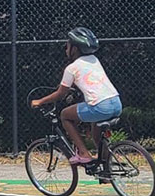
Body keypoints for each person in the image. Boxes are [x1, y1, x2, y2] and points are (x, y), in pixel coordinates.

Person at [30, 27, 122, 165]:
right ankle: (107, 170)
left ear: (74, 49)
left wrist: (40, 101)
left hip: (99, 107)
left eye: (67, 45)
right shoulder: (94, 59)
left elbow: (60, 94)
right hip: (116, 103)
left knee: (65, 115)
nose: (65, 48)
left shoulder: (71, 68)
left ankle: (84, 154)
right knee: (97, 136)